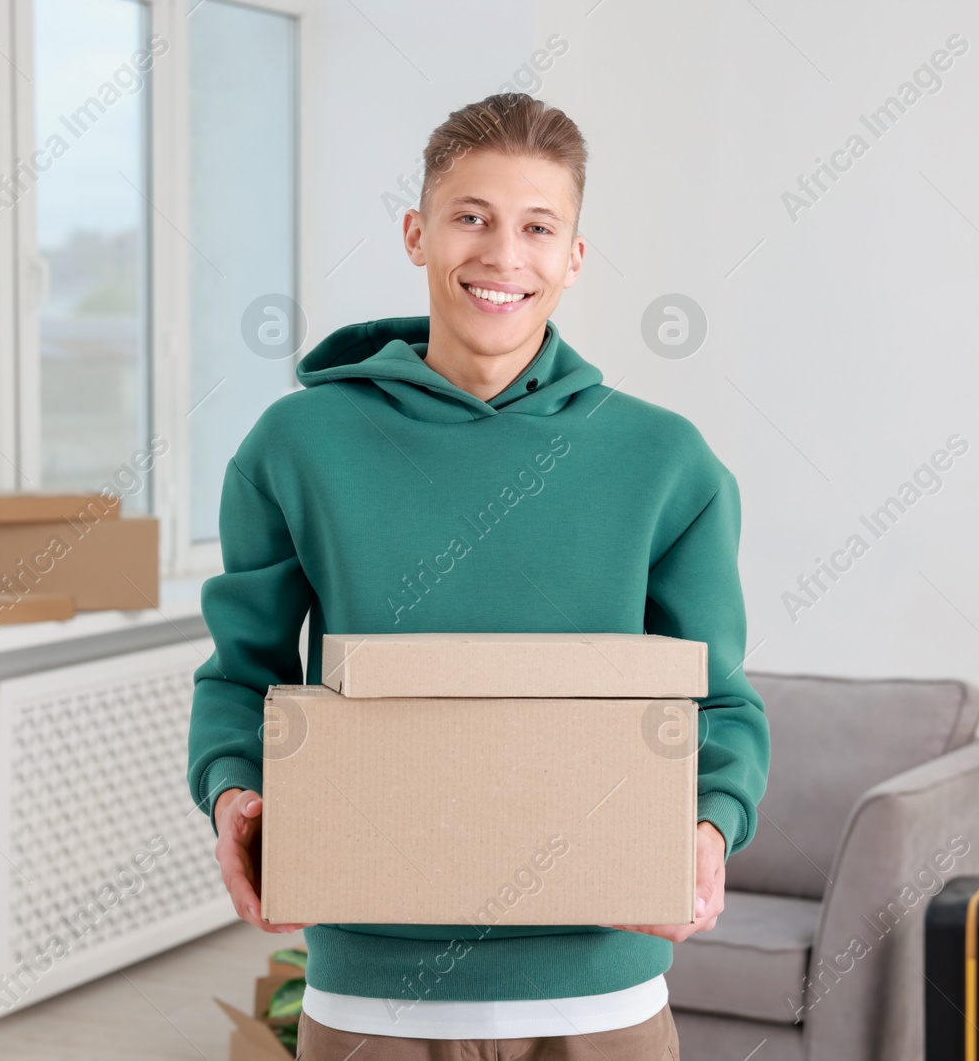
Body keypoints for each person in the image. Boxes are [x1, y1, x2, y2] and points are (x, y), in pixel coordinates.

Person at [188, 90, 769, 1061]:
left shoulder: (666, 462)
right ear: (417, 233)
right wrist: (234, 791)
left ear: (574, 256)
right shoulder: (297, 446)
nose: (503, 256)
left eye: (538, 226)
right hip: (371, 996)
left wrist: (711, 824)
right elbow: (242, 674)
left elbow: (720, 702)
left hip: (603, 997)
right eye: (472, 217)